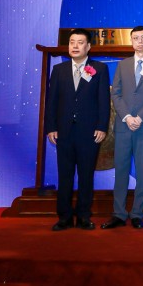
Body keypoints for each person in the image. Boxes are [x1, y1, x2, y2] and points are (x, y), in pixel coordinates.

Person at [101, 26, 143, 230]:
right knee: (121, 170)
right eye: (136, 38)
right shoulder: (123, 65)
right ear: (131, 41)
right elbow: (116, 93)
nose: (140, 41)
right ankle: (119, 213)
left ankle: (137, 213)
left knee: (142, 170)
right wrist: (127, 116)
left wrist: (140, 117)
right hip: (124, 125)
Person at [45, 28, 109, 231]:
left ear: (88, 46)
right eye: (72, 42)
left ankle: (83, 216)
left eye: (80, 42)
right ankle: (64, 217)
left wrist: (102, 126)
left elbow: (104, 101)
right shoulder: (59, 70)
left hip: (89, 133)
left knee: (86, 176)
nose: (75, 46)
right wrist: (51, 127)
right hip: (63, 132)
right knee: (64, 176)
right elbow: (52, 101)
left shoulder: (99, 69)